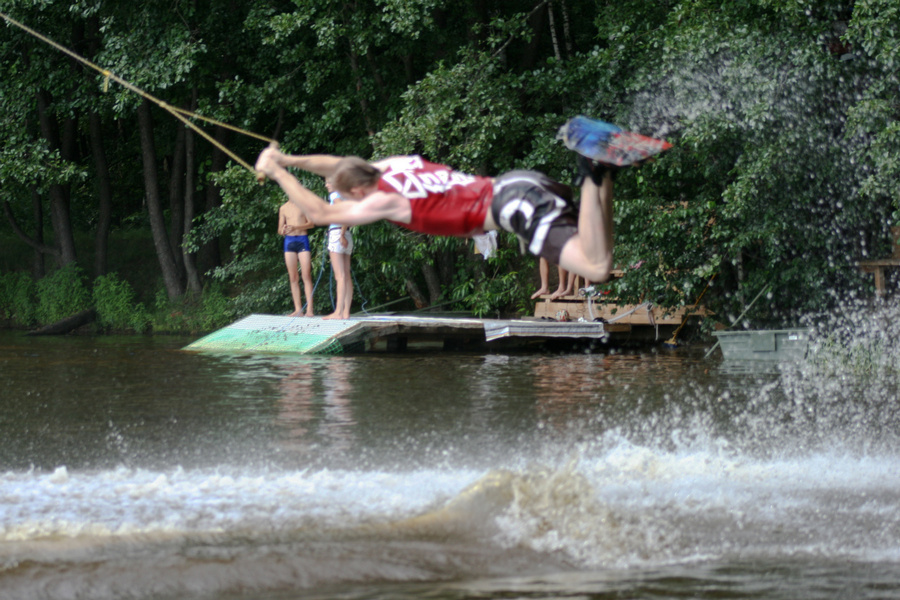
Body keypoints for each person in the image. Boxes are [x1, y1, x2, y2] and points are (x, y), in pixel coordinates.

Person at [255, 148, 615, 285]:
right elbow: (338, 166)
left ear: (359, 193)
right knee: (596, 246)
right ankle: (605, 173)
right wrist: (288, 159)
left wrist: (278, 173)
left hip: (514, 207)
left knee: (595, 268)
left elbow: (319, 212)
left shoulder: (384, 201)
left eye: (346, 196)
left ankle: (589, 173)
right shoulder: (391, 165)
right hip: (519, 181)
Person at [278, 201, 315, 317]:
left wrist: (296, 227)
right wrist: (283, 230)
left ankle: (309, 309)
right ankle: (298, 309)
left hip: (302, 239)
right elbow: (279, 230)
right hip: (289, 241)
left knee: (306, 275)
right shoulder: (283, 208)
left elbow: (311, 224)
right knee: (293, 277)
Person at [324, 180, 354, 319]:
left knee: (340, 276)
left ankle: (338, 312)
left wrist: (340, 234)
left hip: (337, 234)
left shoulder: (335, 195)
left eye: (329, 182)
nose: (327, 185)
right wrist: (344, 233)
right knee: (346, 275)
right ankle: (346, 312)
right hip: (346, 233)